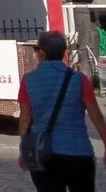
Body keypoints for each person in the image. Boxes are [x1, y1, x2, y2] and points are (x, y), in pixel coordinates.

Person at [18, 31, 106, 191]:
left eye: (37, 49)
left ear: (42, 53)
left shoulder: (28, 80)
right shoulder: (80, 79)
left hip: (43, 154)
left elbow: (25, 119)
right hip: (78, 153)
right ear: (63, 53)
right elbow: (96, 117)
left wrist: (24, 150)